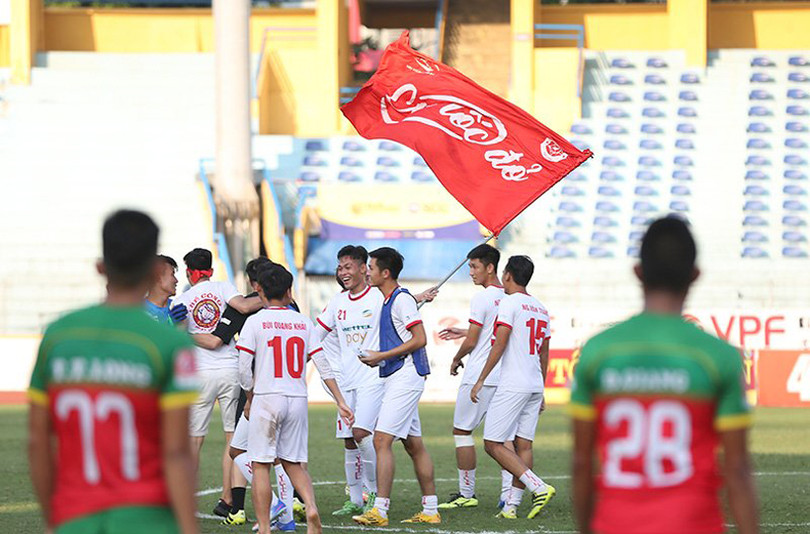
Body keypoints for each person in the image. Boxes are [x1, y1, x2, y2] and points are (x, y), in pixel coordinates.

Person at [570, 217, 758, 534]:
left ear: (638, 272)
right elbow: (737, 470)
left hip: (615, 524)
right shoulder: (719, 357)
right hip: (693, 525)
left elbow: (581, 463)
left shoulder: (597, 352)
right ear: (695, 275)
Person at [28, 209, 199, 534]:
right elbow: (177, 452)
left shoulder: (57, 335)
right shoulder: (171, 344)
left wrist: (55, 518)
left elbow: (38, 441)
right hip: (148, 520)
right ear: (152, 269)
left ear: (100, 267)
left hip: (74, 518)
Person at [237, 264, 354, 534]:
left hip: (267, 397)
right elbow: (323, 365)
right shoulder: (303, 322)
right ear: (289, 292)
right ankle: (310, 506)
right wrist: (340, 401)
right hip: (297, 398)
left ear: (260, 291)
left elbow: (243, 367)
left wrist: (250, 395)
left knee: (261, 464)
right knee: (292, 462)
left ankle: (265, 527)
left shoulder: (255, 321)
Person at [172, 247, 263, 518]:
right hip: (230, 369)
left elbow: (177, 334)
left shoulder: (183, 298)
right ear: (209, 269)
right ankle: (227, 497)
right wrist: (278, 295)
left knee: (194, 440)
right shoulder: (224, 287)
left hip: (199, 373)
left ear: (189, 271)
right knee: (231, 438)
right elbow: (246, 306)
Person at [352, 247, 440, 526]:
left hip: (406, 374)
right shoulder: (393, 299)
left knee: (381, 440)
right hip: (399, 374)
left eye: (370, 267)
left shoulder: (399, 300)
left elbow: (420, 338)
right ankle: (430, 510)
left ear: (385, 273)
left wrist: (380, 357)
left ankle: (380, 510)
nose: (366, 271)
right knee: (414, 445)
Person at [471, 255, 555, 520]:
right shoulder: (541, 308)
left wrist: (481, 378)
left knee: (492, 443)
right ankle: (511, 506)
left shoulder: (509, 303)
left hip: (514, 383)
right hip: (533, 384)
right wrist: (541, 388)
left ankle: (538, 486)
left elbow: (500, 343)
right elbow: (544, 353)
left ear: (507, 275)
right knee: (524, 445)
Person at [437, 244, 510, 510]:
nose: (471, 272)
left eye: (474, 266)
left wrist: (457, 358)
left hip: (479, 374)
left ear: (490, 267)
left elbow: (474, 341)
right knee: (503, 439)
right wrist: (463, 333)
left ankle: (467, 494)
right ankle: (507, 496)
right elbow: (491, 333)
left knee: (462, 432)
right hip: (505, 376)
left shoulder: (482, 298)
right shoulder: (512, 296)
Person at [315, 246, 386, 517]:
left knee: (362, 434)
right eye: (340, 267)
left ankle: (376, 495)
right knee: (348, 439)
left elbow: (401, 308)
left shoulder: (378, 297)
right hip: (346, 382)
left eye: (348, 267)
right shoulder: (337, 302)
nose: (343, 272)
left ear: (362, 268)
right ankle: (356, 499)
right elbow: (315, 334)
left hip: (373, 378)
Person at [144, 254, 188, 326]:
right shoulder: (139, 311)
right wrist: (170, 324)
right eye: (172, 274)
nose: (176, 280)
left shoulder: (177, 308)